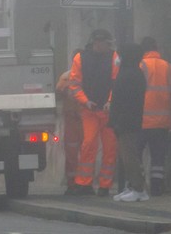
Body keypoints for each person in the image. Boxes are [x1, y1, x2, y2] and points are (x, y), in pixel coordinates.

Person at [66, 28, 120, 196]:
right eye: (100, 42)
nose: (102, 46)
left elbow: (116, 83)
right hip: (89, 110)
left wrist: (110, 102)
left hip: (107, 112)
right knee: (88, 144)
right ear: (94, 42)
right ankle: (84, 183)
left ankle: (105, 185)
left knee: (110, 148)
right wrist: (85, 101)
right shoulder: (80, 58)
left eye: (104, 43)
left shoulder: (114, 57)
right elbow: (74, 84)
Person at [108, 42, 149, 202]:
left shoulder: (130, 75)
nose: (117, 58)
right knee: (126, 155)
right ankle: (132, 186)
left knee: (129, 155)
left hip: (127, 122)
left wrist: (118, 120)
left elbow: (126, 101)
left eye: (120, 55)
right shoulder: (129, 73)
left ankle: (138, 189)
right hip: (125, 121)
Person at [139, 36, 171, 196]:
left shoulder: (140, 65)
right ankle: (157, 187)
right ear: (156, 49)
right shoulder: (169, 67)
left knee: (137, 154)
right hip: (162, 121)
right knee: (158, 157)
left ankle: (138, 185)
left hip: (143, 120)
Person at [56, 52, 85, 195]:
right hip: (75, 118)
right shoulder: (66, 76)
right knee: (74, 152)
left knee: (83, 152)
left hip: (83, 118)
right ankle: (74, 183)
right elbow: (58, 93)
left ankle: (80, 182)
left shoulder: (68, 76)